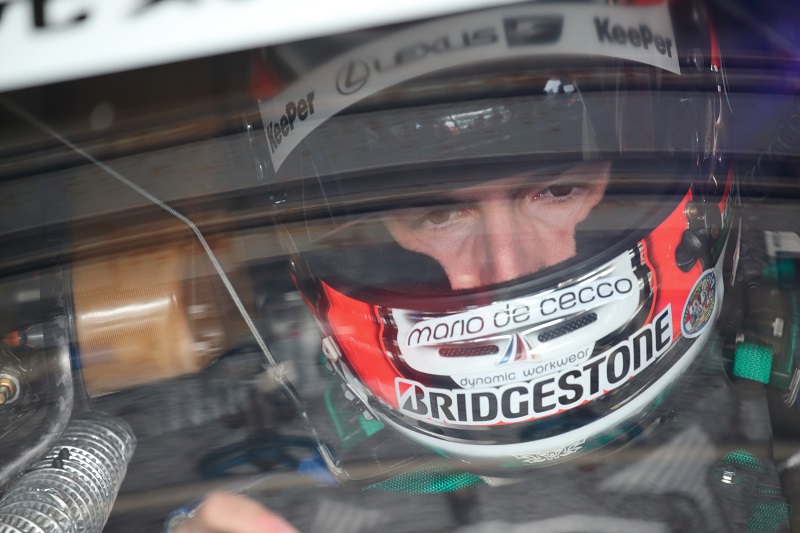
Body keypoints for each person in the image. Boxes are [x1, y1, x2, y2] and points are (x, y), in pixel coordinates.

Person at [171, 0, 792, 531]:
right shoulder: (219, 409)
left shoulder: (778, 325)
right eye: (438, 213)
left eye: (558, 188)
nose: (506, 270)